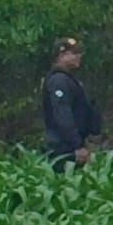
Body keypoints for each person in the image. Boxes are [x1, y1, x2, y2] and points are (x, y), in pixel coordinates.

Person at [41, 37, 101, 172]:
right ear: (61, 56)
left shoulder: (69, 80)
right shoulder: (59, 81)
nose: (78, 56)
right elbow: (63, 115)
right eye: (73, 53)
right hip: (62, 147)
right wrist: (77, 145)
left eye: (78, 53)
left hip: (70, 145)